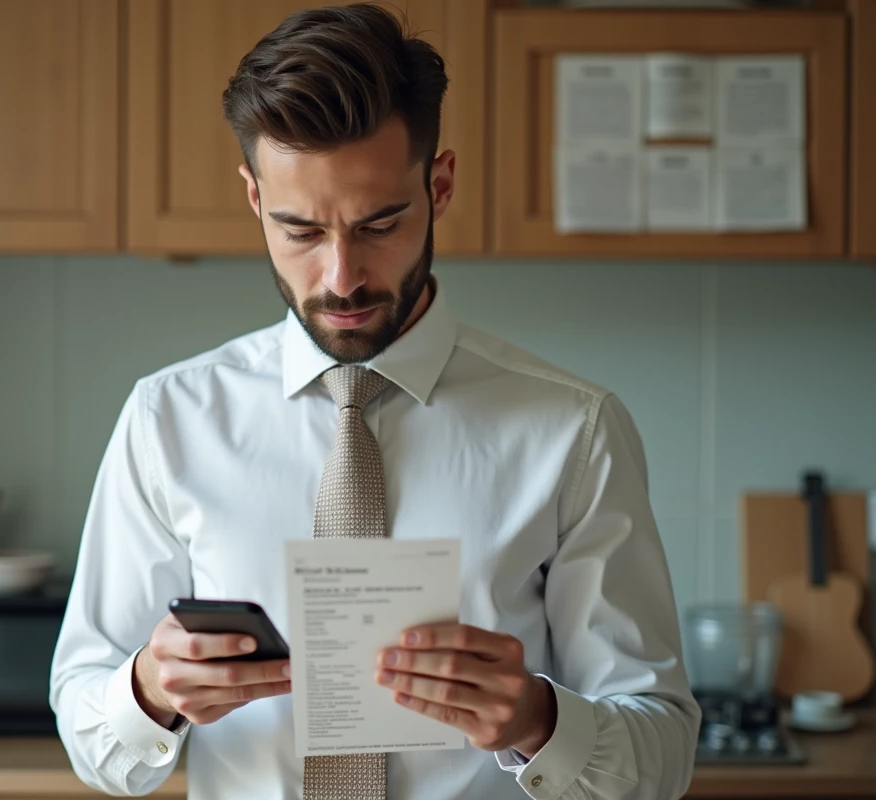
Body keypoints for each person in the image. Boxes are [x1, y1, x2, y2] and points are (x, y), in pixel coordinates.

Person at [49, 3, 701, 798]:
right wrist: (150, 689)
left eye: (379, 225)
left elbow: (663, 758)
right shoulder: (168, 421)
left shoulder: (574, 432)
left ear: (440, 185)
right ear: (254, 199)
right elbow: (91, 740)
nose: (342, 278)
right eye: (300, 231)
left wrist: (537, 719)